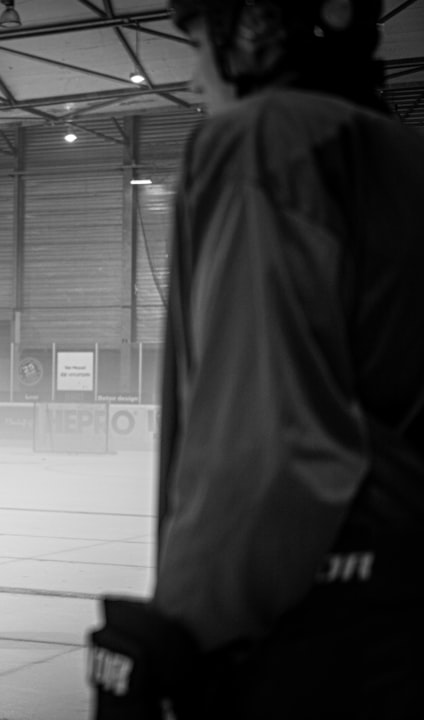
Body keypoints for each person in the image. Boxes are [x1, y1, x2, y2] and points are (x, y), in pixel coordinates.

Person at [87, 1, 424, 718]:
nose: (194, 70)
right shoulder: (402, 154)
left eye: (200, 39)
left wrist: (175, 639)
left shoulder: (266, 141)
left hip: (304, 620)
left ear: (253, 34)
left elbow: (266, 438)